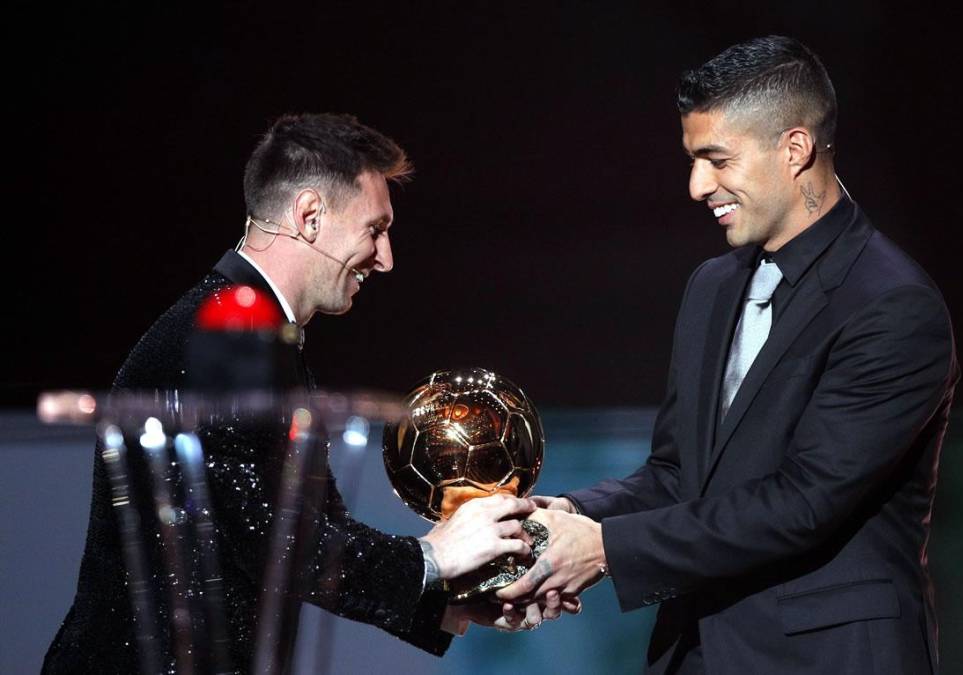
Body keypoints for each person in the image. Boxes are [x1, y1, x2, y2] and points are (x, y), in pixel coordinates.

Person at [43, 113, 571, 674]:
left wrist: (457, 599)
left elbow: (313, 531)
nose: (387, 258)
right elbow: (267, 537)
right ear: (310, 216)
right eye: (375, 229)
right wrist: (432, 557)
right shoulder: (223, 332)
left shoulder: (259, 332)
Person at [499, 36, 959, 674]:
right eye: (693, 160)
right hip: (695, 652)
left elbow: (804, 502)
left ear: (794, 149)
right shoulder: (712, 286)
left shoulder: (892, 305)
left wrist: (605, 548)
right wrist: (577, 513)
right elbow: (676, 474)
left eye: (716, 159)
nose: (696, 185)